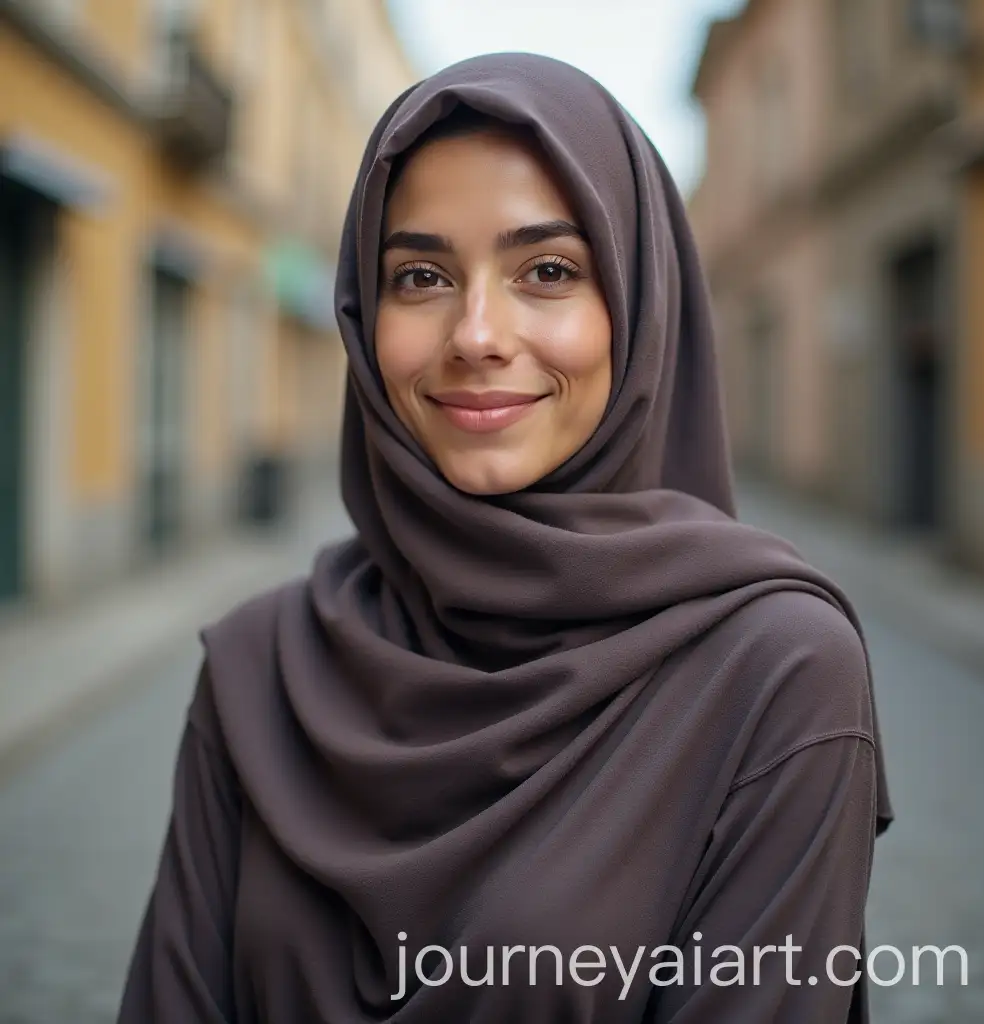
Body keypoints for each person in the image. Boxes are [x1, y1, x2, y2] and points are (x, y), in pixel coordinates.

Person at [117, 53, 893, 1023]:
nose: (476, 333)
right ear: (364, 315)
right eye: (420, 276)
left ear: (639, 306)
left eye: (549, 271)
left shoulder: (775, 672)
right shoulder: (261, 666)